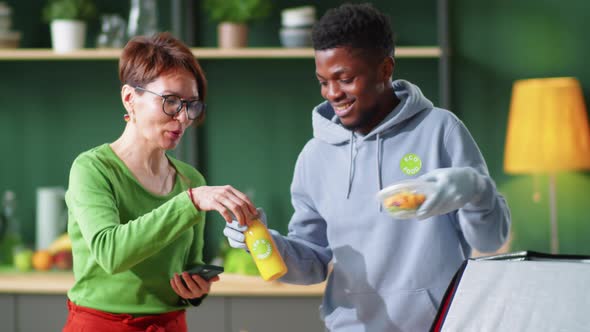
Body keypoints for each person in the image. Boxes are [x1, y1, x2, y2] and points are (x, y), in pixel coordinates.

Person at [224, 3, 511, 331]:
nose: (333, 93)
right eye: (323, 81)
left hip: (440, 325)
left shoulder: (440, 131)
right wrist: (264, 243)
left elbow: (490, 241)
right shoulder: (315, 155)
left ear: (385, 68)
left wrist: (475, 189)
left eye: (344, 79)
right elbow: (313, 262)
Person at [63, 32, 257, 331]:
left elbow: (188, 266)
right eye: (170, 101)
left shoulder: (189, 179)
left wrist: (194, 289)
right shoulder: (93, 168)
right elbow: (110, 253)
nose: (182, 118)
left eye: (191, 105)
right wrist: (189, 202)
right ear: (130, 98)